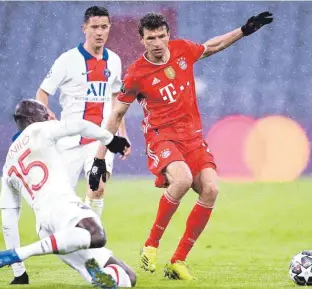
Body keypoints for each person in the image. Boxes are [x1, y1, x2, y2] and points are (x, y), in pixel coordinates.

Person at [88, 12, 274, 280]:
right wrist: (99, 157)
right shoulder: (136, 74)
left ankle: (178, 261)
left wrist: (244, 30)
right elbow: (116, 115)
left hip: (193, 138)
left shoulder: (183, 50)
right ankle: (152, 243)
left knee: (210, 189)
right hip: (161, 137)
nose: (157, 42)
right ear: (142, 40)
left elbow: (213, 46)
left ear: (168, 36)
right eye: (150, 38)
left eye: (161, 36)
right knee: (183, 179)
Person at [0, 99, 135, 289]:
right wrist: (110, 139)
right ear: (33, 119)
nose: (51, 116)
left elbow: (9, 221)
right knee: (97, 235)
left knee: (128, 278)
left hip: (45, 229)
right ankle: (24, 252)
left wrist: (19, 272)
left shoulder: (7, 166)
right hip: (63, 207)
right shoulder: (38, 129)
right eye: (46, 114)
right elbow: (79, 125)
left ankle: (96, 274)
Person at [36, 6, 130, 219]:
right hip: (70, 140)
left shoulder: (114, 60)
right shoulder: (67, 60)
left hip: (101, 140)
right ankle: (65, 235)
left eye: (104, 27)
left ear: (109, 29)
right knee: (61, 201)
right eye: (94, 27)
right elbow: (42, 93)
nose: (99, 32)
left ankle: (92, 236)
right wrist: (48, 117)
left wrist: (122, 133)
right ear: (84, 28)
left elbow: (116, 97)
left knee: (97, 187)